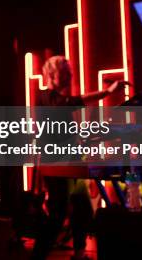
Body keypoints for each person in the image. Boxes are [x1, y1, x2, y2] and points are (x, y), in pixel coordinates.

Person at [32, 55, 125, 260]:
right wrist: (107, 92)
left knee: (81, 207)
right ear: (52, 75)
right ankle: (37, 256)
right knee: (58, 214)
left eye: (70, 74)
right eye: (65, 73)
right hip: (55, 162)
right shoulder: (45, 97)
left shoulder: (60, 100)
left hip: (71, 160)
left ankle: (80, 253)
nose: (69, 78)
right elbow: (70, 104)